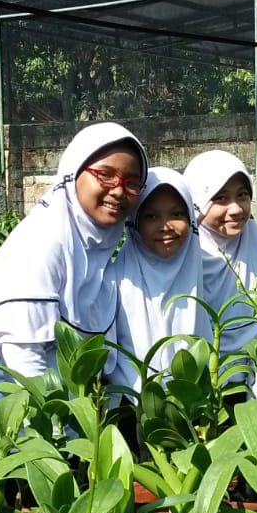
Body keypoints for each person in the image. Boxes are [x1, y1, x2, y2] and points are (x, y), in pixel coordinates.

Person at [0, 123, 147, 399]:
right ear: (73, 174)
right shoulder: (42, 241)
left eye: (132, 182)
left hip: (73, 418)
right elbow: (24, 358)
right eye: (105, 175)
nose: (119, 191)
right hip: (17, 419)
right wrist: (54, 431)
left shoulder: (99, 249)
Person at [183, 150, 257, 358]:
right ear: (197, 202)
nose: (236, 209)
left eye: (242, 195)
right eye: (220, 198)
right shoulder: (186, 258)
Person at [111, 167, 206, 394]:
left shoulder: (196, 272)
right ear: (134, 222)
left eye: (177, 214)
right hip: (127, 406)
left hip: (193, 403)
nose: (166, 226)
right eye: (151, 216)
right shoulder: (116, 280)